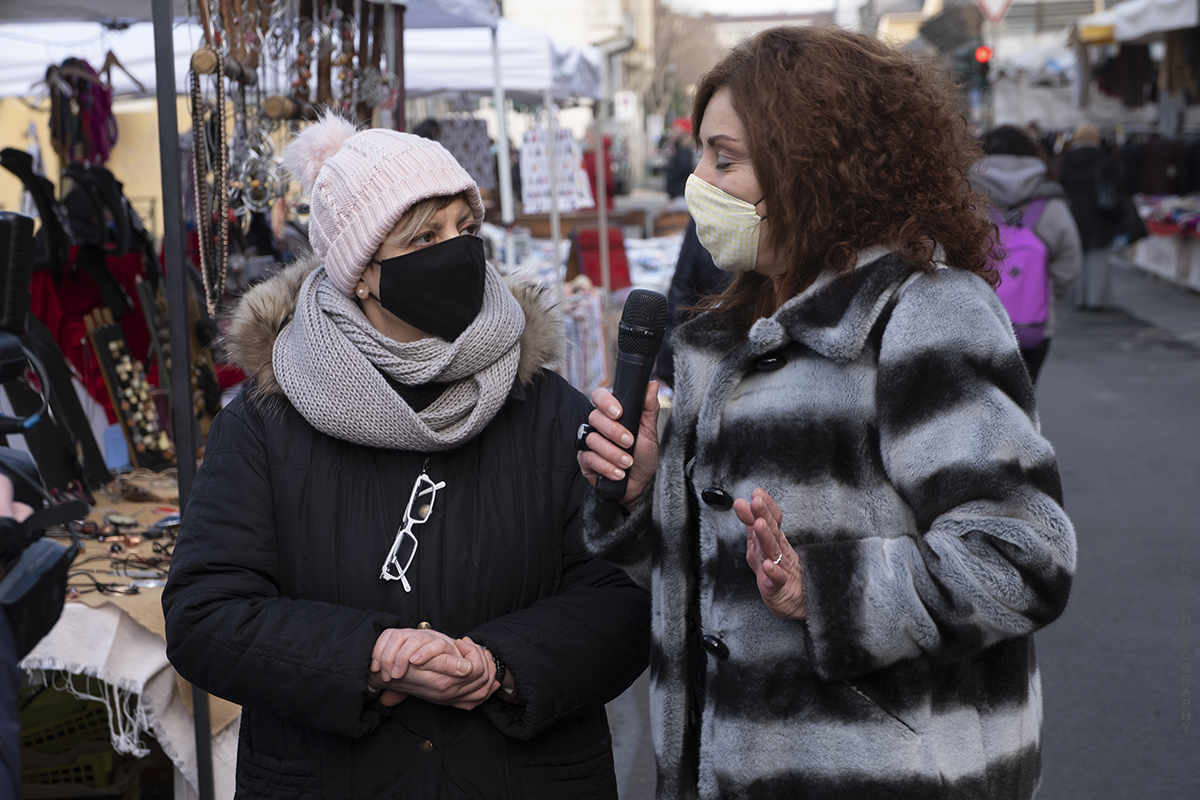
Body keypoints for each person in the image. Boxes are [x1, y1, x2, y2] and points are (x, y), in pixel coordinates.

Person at [575, 26, 1076, 800]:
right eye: (703, 153)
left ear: (811, 166)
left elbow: (1022, 556)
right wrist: (644, 492)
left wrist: (828, 590)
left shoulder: (924, 314)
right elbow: (712, 588)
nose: (698, 182)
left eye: (726, 158)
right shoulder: (720, 339)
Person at [162, 113, 650, 798]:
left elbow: (620, 598)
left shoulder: (547, 405)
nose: (457, 251)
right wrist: (365, 657)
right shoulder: (266, 422)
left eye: (465, 228)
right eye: (425, 236)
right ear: (361, 271)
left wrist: (501, 665)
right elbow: (205, 615)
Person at [973, 124, 1082, 382]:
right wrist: (1044, 292)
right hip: (1034, 326)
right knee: (1024, 404)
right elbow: (1070, 257)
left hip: (977, 322)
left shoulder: (966, 201)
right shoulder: (1051, 203)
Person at [1057, 123, 1121, 309]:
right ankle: (1095, 299)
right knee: (1098, 256)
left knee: (1078, 255)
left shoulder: (1067, 158)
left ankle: (1078, 298)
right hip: (1100, 212)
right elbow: (1114, 187)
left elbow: (1062, 185)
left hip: (1074, 211)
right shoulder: (1104, 158)